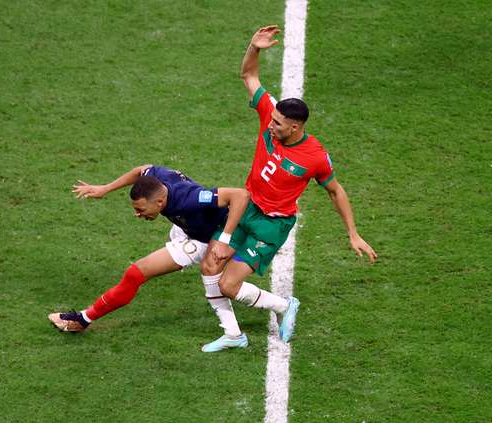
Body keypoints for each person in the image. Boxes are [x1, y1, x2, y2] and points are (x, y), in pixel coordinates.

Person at [199, 25, 378, 350]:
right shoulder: (271, 114)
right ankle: (233, 335)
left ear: (295, 127)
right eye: (272, 120)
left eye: (278, 124)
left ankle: (284, 306)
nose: (270, 125)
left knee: (227, 285)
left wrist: (353, 233)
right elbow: (248, 76)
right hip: (245, 208)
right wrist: (254, 47)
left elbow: (336, 191)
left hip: (272, 225)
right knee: (209, 264)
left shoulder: (315, 157)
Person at [48, 164, 252, 352]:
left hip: (205, 238)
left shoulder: (191, 198)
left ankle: (82, 320)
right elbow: (141, 170)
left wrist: (224, 240)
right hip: (188, 227)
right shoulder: (155, 177)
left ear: (160, 202)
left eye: (141, 209)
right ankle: (240, 330)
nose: (137, 214)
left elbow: (239, 195)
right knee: (140, 274)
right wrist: (105, 188)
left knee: (136, 274)